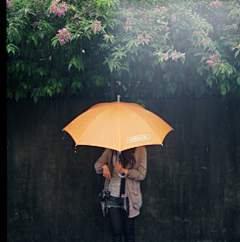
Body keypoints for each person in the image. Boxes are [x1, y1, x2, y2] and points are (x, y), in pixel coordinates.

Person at [94, 146, 147, 242]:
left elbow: (141, 174)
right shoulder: (111, 148)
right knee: (116, 233)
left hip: (130, 198)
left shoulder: (140, 150)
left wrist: (125, 171)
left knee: (129, 232)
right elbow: (97, 165)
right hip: (112, 196)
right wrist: (104, 166)